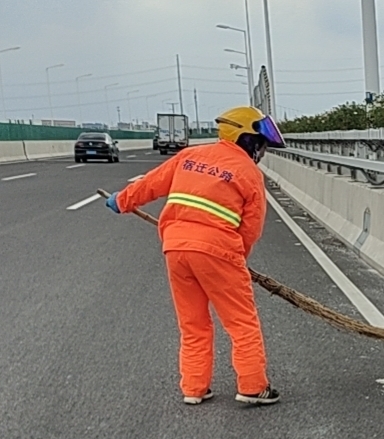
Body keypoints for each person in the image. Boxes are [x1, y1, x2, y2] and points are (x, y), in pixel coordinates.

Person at [106, 106, 286, 406]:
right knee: (241, 322)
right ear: (248, 139)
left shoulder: (190, 156)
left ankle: (194, 388)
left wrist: (121, 201)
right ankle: (253, 387)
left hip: (176, 249)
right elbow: (250, 228)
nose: (263, 151)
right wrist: (236, 257)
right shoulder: (248, 173)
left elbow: (151, 184)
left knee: (193, 324)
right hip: (218, 251)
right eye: (261, 144)